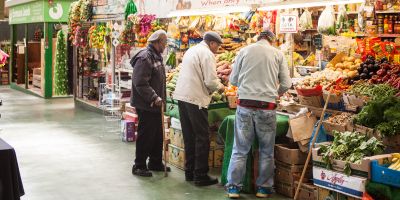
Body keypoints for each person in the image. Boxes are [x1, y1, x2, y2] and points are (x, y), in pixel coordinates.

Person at [226, 30, 292, 199]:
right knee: (266, 151)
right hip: (267, 107)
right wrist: (274, 93)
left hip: (245, 106)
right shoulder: (278, 54)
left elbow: (233, 80)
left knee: (240, 149)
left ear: (258, 39)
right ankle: (263, 188)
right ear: (272, 40)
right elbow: (286, 83)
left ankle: (234, 188)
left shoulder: (244, 51)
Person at [173, 31, 225, 186]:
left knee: (189, 136)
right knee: (202, 136)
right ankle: (201, 175)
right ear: (212, 43)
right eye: (218, 46)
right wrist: (221, 87)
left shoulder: (192, 50)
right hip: (195, 99)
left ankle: (190, 172)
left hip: (182, 97)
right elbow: (210, 81)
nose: (218, 49)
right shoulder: (207, 54)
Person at [130, 30, 170, 177]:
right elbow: (140, 82)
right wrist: (154, 97)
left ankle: (155, 162)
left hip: (155, 104)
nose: (165, 46)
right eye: (164, 43)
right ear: (157, 42)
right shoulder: (145, 58)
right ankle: (139, 165)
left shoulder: (155, 56)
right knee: (146, 135)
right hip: (146, 104)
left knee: (157, 135)